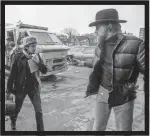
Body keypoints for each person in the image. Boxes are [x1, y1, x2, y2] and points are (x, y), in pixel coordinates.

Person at [85, 9, 145, 131]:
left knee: (123, 130)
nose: (95, 31)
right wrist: (82, 63)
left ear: (109, 26)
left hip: (124, 96)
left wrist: (133, 87)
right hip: (102, 93)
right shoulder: (100, 45)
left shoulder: (136, 44)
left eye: (97, 27)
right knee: (97, 128)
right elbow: (99, 64)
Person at [6, 36, 47, 131]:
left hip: (34, 88)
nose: (34, 48)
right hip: (21, 88)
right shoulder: (18, 57)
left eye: (35, 46)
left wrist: (39, 63)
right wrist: (9, 90)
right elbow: (12, 75)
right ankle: (13, 121)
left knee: (39, 112)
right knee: (16, 109)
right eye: (32, 46)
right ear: (26, 47)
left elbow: (45, 71)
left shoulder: (37, 56)